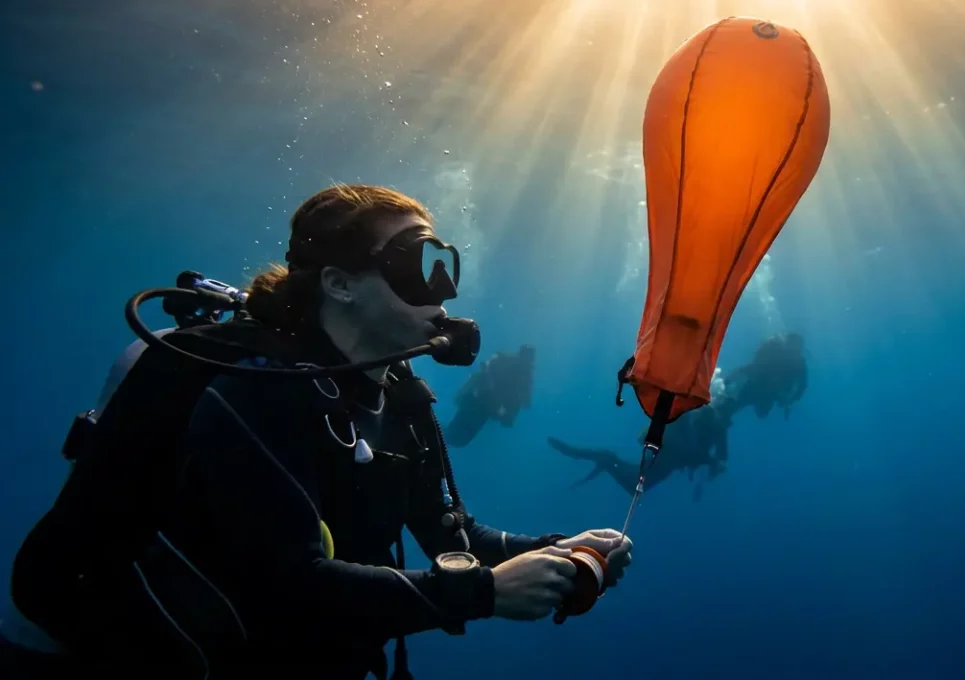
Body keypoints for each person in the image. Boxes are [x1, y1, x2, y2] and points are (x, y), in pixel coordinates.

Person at [1, 184, 633, 680]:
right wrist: (483, 594)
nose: (441, 291)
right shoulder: (259, 390)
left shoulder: (399, 391)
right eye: (417, 265)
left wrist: (554, 551)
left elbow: (448, 530)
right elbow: (290, 583)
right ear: (339, 284)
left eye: (445, 265)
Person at [549, 390, 733, 501]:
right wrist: (711, 462)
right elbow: (690, 452)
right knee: (634, 486)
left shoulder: (710, 425)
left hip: (665, 458)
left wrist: (712, 464)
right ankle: (599, 457)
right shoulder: (704, 423)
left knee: (634, 484)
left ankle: (599, 458)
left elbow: (706, 456)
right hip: (665, 458)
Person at [446, 344, 536, 447]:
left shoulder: (507, 362)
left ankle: (435, 434)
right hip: (481, 404)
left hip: (480, 403)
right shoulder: (518, 370)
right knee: (457, 438)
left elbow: (524, 400)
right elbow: (525, 401)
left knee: (456, 437)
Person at [723, 331, 808, 419]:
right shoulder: (775, 351)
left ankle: (723, 406)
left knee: (756, 409)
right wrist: (789, 400)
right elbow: (751, 367)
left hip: (768, 389)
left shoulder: (799, 364)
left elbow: (802, 386)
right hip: (760, 384)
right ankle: (722, 407)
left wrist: (789, 400)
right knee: (739, 403)